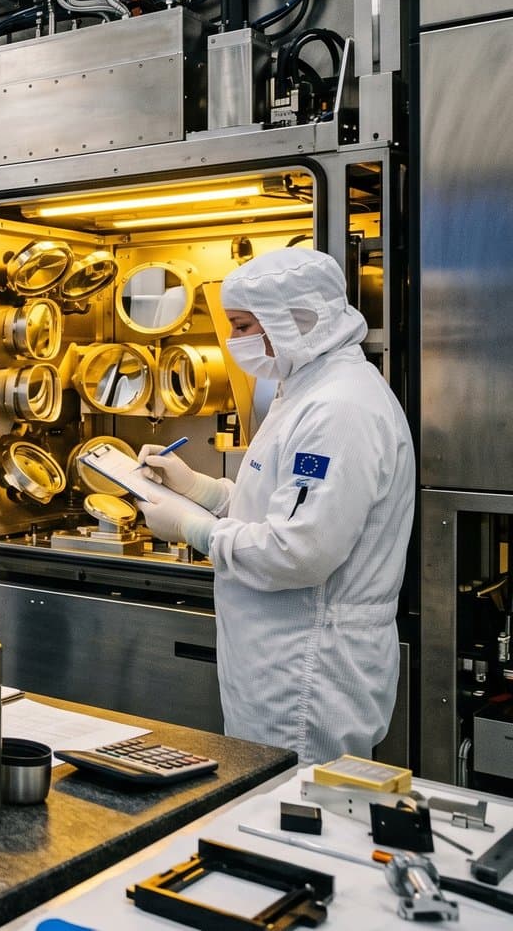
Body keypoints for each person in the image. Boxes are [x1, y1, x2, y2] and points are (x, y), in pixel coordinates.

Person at [134, 248, 414, 763]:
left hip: (308, 675)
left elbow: (299, 551)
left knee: (298, 818)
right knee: (263, 808)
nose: (233, 340)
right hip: (275, 662)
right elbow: (277, 511)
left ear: (294, 320)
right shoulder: (304, 391)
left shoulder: (339, 408)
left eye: (243, 325)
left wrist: (193, 529)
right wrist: (197, 488)